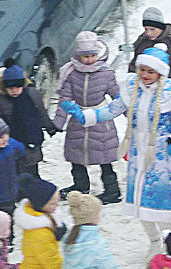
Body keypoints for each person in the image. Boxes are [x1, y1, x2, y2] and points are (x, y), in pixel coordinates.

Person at [62, 44, 171, 255]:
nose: (145, 75)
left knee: (158, 204)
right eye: (142, 70)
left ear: (160, 72)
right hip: (138, 154)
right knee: (140, 202)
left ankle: (168, 242)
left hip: (162, 157)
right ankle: (154, 240)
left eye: (150, 71)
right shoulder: (131, 88)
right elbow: (112, 110)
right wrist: (87, 116)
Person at [52, 31, 123, 203]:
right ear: (78, 56)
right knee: (76, 157)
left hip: (100, 119)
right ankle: (80, 185)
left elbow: (119, 97)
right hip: (78, 120)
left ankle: (112, 190)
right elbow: (65, 99)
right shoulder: (71, 73)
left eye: (92, 55)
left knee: (104, 158)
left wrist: (133, 117)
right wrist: (58, 122)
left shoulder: (106, 74)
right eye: (85, 56)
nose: (89, 60)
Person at [0, 62, 53, 178]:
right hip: (14, 141)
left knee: (32, 167)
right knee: (17, 169)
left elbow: (41, 112)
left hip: (33, 137)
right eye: (10, 88)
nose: (14, 91)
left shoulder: (32, 94)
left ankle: (34, 185)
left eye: (17, 87)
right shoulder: (0, 102)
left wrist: (49, 126)